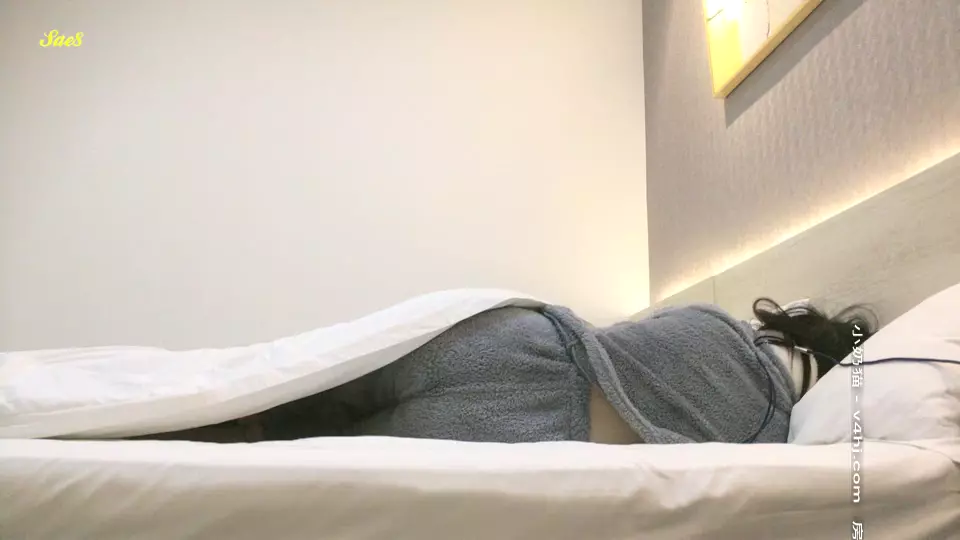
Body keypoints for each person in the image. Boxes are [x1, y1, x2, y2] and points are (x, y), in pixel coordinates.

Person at [133, 298, 875, 445]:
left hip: (510, 336)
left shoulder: (711, 320)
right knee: (313, 457)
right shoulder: (771, 433)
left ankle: (154, 415)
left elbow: (627, 338)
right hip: (530, 423)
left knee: (293, 390)